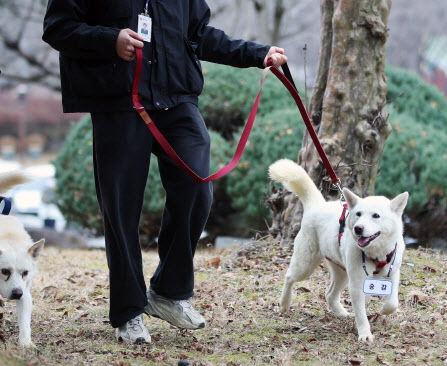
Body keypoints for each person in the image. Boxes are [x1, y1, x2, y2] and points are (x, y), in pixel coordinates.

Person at [43, 0, 287, 344]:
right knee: (121, 207)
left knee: (196, 186)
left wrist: (255, 53)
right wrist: (110, 40)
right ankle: (128, 312)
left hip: (176, 98)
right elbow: (57, 27)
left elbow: (199, 34)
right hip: (119, 100)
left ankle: (169, 291)